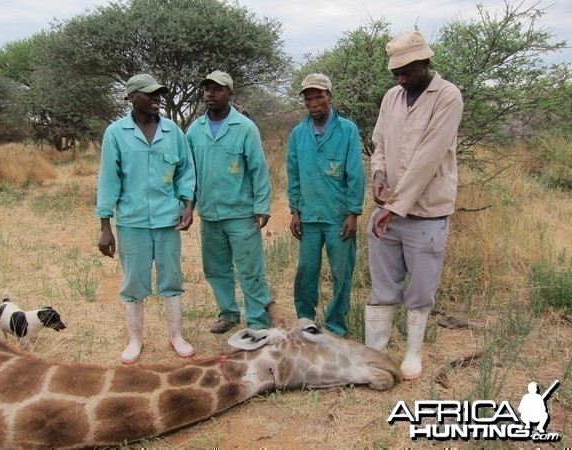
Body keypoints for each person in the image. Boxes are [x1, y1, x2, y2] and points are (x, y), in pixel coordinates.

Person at [365, 31, 464, 380]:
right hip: (389, 208)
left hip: (428, 211)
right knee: (382, 284)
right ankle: (375, 352)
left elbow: (428, 158)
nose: (400, 78)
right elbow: (378, 143)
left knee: (421, 288)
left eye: (406, 71)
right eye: (396, 72)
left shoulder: (448, 97)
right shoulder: (392, 97)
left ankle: (412, 353)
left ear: (424, 62)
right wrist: (378, 174)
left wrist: (392, 208)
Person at [97, 73, 196, 364]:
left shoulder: (173, 132)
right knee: (134, 282)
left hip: (168, 221)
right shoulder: (116, 133)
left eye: (159, 93)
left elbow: (186, 171)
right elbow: (108, 180)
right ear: (131, 97)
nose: (156, 98)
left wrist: (188, 204)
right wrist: (105, 226)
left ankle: (176, 335)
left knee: (172, 279)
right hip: (132, 222)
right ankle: (135, 339)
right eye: (149, 93)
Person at [186, 70, 273, 333]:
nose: (210, 93)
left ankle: (258, 321)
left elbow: (258, 169)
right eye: (207, 89)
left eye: (217, 89)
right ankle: (228, 314)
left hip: (241, 214)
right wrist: (188, 206)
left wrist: (262, 206)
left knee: (250, 270)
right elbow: (189, 173)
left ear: (229, 93)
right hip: (210, 214)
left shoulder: (245, 128)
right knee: (215, 269)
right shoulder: (195, 130)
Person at [286, 73, 365, 337]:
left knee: (342, 273)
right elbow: (293, 173)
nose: (313, 103)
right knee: (306, 272)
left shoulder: (348, 130)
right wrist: (295, 210)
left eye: (319, 96)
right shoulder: (298, 134)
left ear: (329, 96)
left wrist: (353, 212)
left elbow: (355, 173)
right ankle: (305, 323)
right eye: (308, 98)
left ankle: (335, 326)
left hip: (338, 216)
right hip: (308, 216)